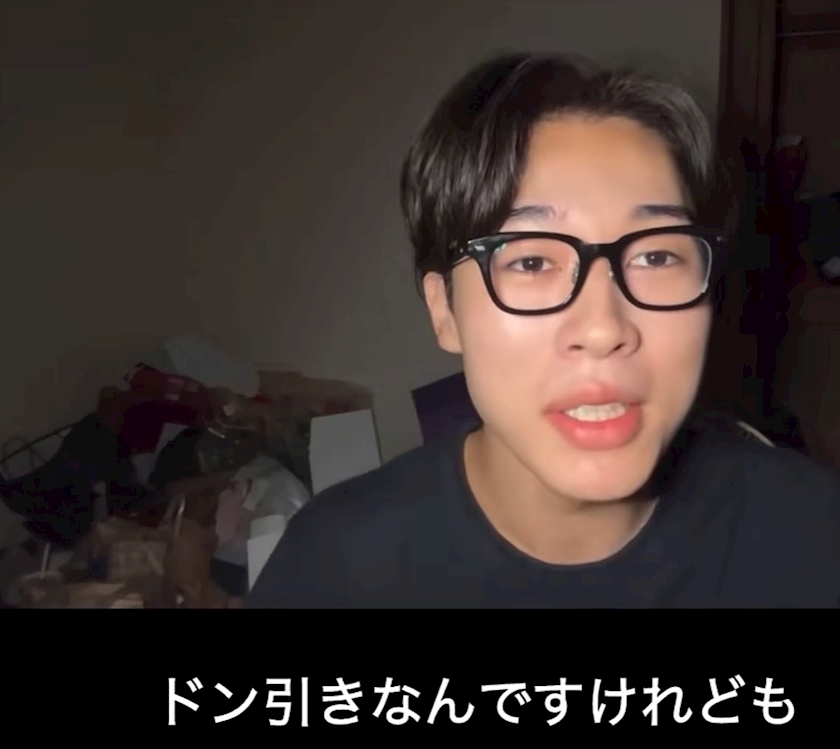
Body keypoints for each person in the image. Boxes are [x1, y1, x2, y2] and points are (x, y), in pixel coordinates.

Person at [246, 53, 840, 607]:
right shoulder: (334, 569)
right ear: (444, 310)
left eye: (657, 256)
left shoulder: (812, 535)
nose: (603, 328)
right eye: (531, 262)